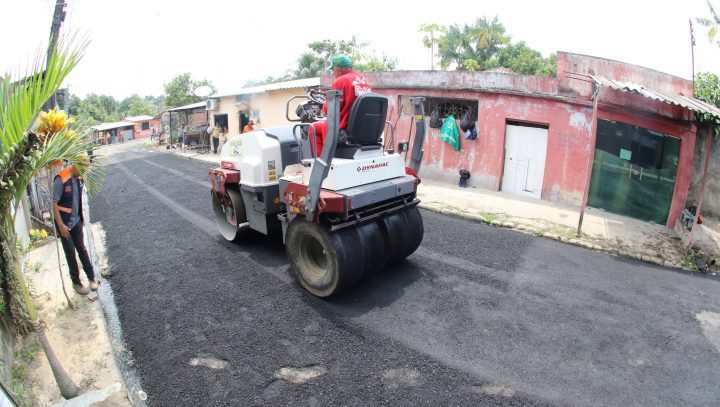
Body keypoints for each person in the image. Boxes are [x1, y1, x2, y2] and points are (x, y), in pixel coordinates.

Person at [309, 55, 372, 156]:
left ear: (339, 69)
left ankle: (325, 162)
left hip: (345, 126)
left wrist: (323, 106)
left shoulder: (340, 81)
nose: (333, 73)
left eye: (332, 70)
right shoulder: (364, 80)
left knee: (312, 128)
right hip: (362, 127)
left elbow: (330, 109)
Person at [52, 159, 97, 295]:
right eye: (82, 170)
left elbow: (77, 199)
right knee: (71, 253)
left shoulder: (78, 178)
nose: (82, 174)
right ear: (76, 166)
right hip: (64, 224)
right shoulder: (61, 179)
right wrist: (60, 225)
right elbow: (54, 203)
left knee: (82, 249)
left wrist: (81, 217)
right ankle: (76, 283)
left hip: (76, 221)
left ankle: (91, 278)